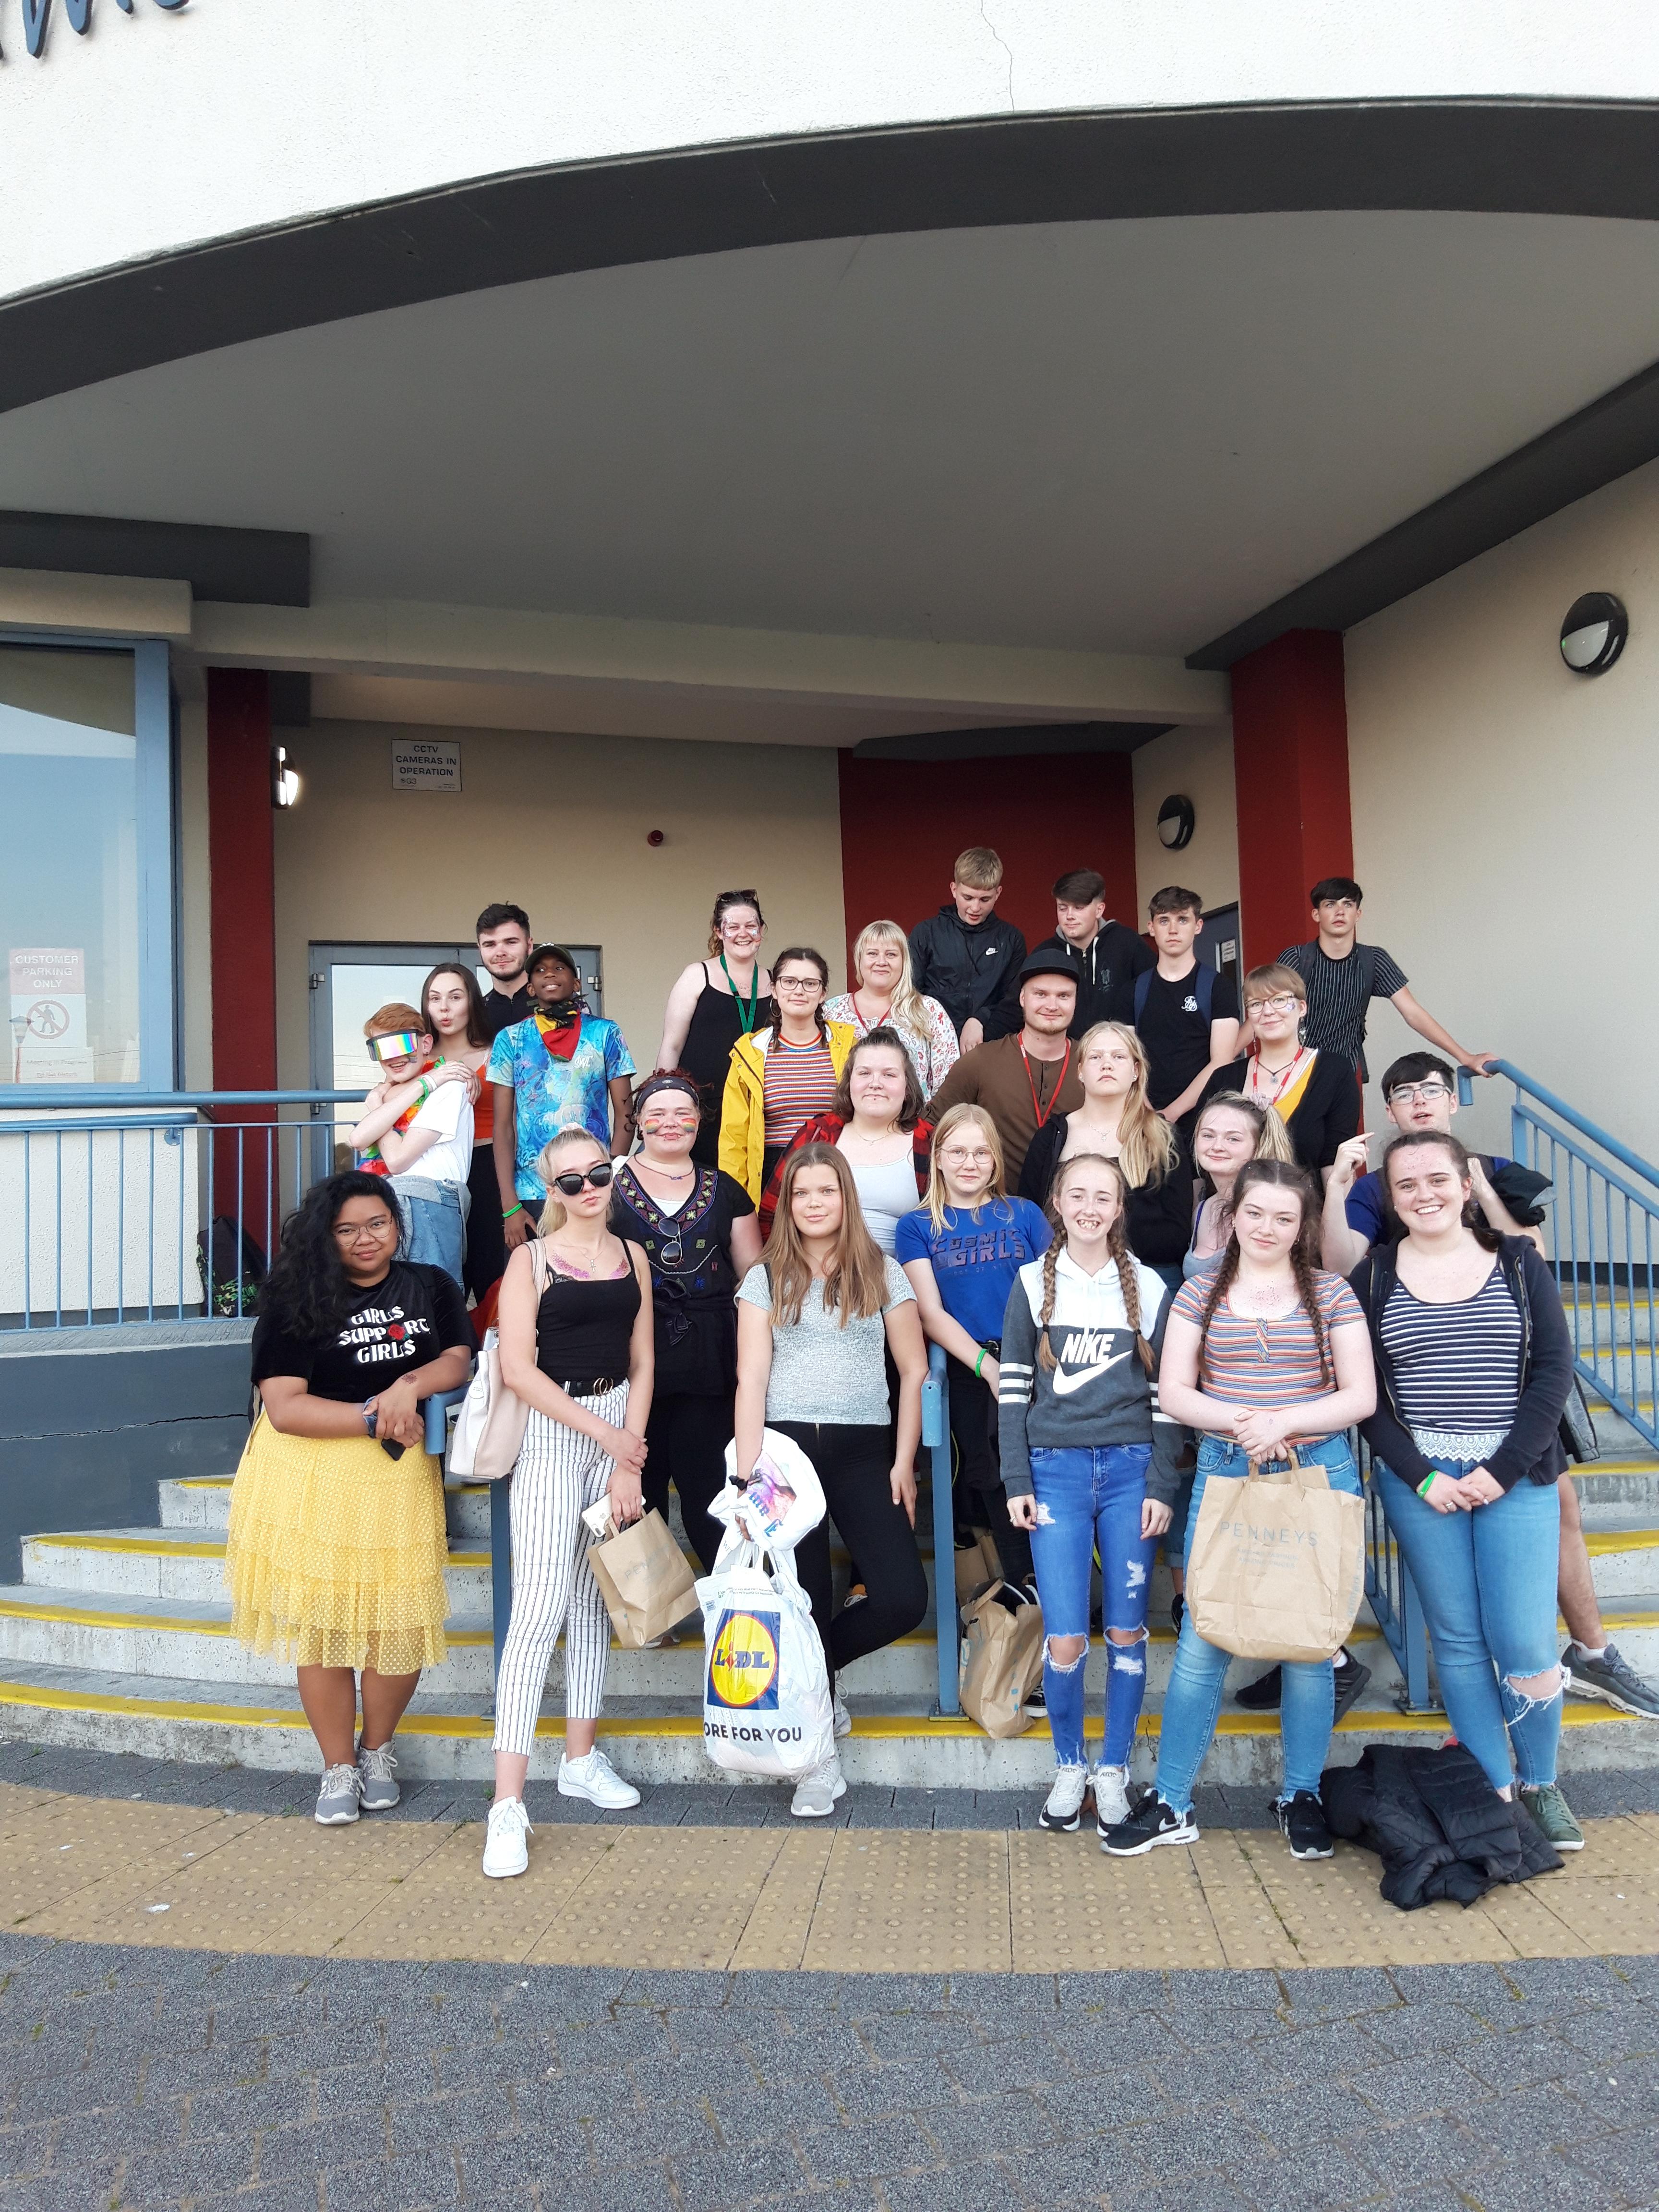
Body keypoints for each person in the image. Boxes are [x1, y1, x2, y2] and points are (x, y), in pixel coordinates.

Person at [1324, 1057, 1659, 1727]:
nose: (1419, 1101)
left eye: (1431, 1090)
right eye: (1403, 1094)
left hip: (1513, 1382)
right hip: (1428, 1390)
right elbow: (1341, 1266)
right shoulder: (1375, 1188)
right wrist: (1337, 1190)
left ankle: (1589, 1652)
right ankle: (1481, 1710)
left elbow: (1530, 1251)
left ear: (1453, 1100)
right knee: (1463, 1582)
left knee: (1559, 1510)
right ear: (1389, 1112)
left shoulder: (1497, 1170)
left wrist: (1478, 1185)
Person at [1101, 1160, 1376, 1862]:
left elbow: (1360, 1396)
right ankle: (1172, 1800)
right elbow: (1175, 1391)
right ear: (1235, 1215)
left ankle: (1301, 1794)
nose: (1268, 1228)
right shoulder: (1199, 1292)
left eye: (1285, 1217)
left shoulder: (1332, 1293)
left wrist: (1284, 1421)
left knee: (1307, 1642)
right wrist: (1248, 1423)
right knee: (1205, 1637)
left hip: (1316, 1473)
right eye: (1256, 1213)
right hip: (1227, 1469)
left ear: (1302, 1224)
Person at [1348, 1130, 1584, 1851]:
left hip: (1516, 1473)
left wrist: (1502, 1468)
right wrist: (1422, 1474)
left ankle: (1541, 1782)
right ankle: (1495, 1791)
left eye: (1437, 1180)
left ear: (1464, 1184)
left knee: (1523, 1638)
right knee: (1455, 1639)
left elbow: (1553, 1369)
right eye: (1407, 1185)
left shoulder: (1517, 1261)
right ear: (1392, 1199)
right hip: (1423, 1482)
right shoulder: (1373, 1276)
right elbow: (1367, 1397)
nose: (1424, 1194)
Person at [227, 1171, 473, 1826]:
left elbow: (458, 1358)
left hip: (396, 1475)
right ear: (325, 1236)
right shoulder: (296, 1297)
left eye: (378, 1224)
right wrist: (373, 1418)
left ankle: (376, 1751)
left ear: (397, 1224)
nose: (366, 1239)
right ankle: (337, 1765)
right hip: (313, 1471)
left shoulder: (430, 1284)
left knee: (399, 1627)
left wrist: (407, 1387)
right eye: (348, 1229)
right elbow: (285, 1407)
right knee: (326, 1628)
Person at [734, 1144, 929, 1817]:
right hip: (785, 1462)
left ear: (846, 1197)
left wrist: (904, 1462)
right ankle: (817, 1769)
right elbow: (751, 1380)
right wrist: (745, 1480)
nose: (814, 1203)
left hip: (865, 1455)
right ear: (787, 1205)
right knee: (806, 1605)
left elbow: (914, 1371)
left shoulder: (883, 1270)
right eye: (801, 1194)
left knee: (902, 1598)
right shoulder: (766, 1277)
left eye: (827, 1191)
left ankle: (817, 1674)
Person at [482, 1128, 656, 1879]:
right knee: (538, 1611)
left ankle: (580, 1760)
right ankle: (507, 1806)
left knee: (592, 1603)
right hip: (555, 1434)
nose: (588, 1189)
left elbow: (644, 1362)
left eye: (598, 1174)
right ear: (550, 1190)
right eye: (571, 1181)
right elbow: (519, 1370)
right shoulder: (530, 1261)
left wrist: (627, 1456)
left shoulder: (634, 1256)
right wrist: (609, 1439)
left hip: (616, 1429)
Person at [999, 1154, 1181, 1831]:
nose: (1089, 1208)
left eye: (1103, 1196)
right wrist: (1017, 1478)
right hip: (1055, 1472)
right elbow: (1013, 1388)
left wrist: (1162, 1480)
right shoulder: (1030, 1282)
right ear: (1057, 1201)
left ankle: (1114, 1771)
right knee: (1067, 1639)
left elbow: (1165, 1396)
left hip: (1132, 1472)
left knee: (1128, 1630)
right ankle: (1069, 1767)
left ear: (1119, 1207)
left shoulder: (1148, 1285)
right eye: (1077, 1195)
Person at [610, 1070, 762, 1573]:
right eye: (657, 1113)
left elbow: (753, 1279)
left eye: (683, 1112)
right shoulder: (607, 1185)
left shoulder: (726, 1189)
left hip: (708, 1361)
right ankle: (650, 1604)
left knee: (706, 1487)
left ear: (700, 1120)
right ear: (638, 1121)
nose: (670, 1122)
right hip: (629, 1358)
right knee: (639, 1487)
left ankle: (732, 1599)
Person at [897, 1104, 1049, 1588]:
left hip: (1036, 1359)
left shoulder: (1024, 1213)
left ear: (996, 1159)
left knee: (1047, 1468)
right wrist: (988, 1367)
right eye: (958, 1151)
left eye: (982, 1153)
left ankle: (1061, 1589)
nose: (970, 1163)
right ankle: (1024, 1587)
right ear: (938, 1157)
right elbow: (930, 1312)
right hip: (970, 1364)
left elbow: (1055, 1292)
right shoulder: (917, 1226)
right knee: (991, 1473)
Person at [489, 944, 636, 1256]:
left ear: (577, 982)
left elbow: (626, 1114)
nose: (550, 975)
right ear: (531, 987)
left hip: (592, 1187)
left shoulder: (605, 1033)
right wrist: (510, 1206)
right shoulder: (510, 1040)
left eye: (559, 968)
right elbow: (502, 1127)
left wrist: (609, 1176)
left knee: (595, 1270)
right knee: (535, 1276)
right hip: (532, 1192)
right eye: (540, 970)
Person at [1018, 1021, 1192, 1284]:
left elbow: (1177, 1232)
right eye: (1096, 1057)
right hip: (1066, 1278)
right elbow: (1029, 1218)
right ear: (1080, 1072)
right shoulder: (1051, 1137)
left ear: (1136, 1071)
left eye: (1118, 1057)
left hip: (1149, 1277)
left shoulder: (1163, 1137)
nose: (1107, 1064)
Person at [1277, 876, 1492, 1081]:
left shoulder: (1373, 960)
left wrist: (1466, 1057)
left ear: (1358, 914)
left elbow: (1413, 1013)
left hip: (1342, 1075)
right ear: (1316, 914)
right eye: (1330, 904)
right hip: (1291, 1073)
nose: (1340, 912)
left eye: (1348, 904)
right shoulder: (1297, 958)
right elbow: (1266, 1012)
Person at [757, 1026, 932, 1245]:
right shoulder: (817, 1134)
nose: (875, 1084)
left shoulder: (929, 1142)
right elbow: (771, 1215)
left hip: (903, 1266)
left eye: (889, 1075)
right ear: (850, 1083)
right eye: (864, 1073)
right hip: (816, 1264)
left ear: (907, 1087)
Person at [925, 948, 1085, 1186]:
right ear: (1022, 998)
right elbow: (930, 1129)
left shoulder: (1093, 1063)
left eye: (1063, 996)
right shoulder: (981, 1061)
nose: (1052, 1005)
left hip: (1076, 1204)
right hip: (993, 1204)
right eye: (1040, 994)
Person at [347, 1002, 474, 1289]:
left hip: (427, 1198)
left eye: (401, 1044)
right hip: (390, 1200)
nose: (394, 1057)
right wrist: (393, 1097)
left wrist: (385, 1105)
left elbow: (398, 1160)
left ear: (426, 1044)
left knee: (433, 1296)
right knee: (396, 1299)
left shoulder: (449, 1085)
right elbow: (358, 1139)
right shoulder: (398, 1093)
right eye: (381, 1049)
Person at [719, 946, 856, 1202]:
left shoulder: (850, 1047)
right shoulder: (750, 1052)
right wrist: (736, 1204)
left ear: (823, 993)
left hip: (836, 1171)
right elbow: (733, 1139)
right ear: (774, 989)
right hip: (772, 1177)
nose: (799, 991)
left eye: (810, 983)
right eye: (789, 981)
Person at [1202, 963, 1360, 1176]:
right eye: (1256, 1004)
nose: (1268, 1011)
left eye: (1279, 1000)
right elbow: (1200, 1161)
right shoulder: (1224, 1078)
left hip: (1309, 1197)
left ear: (1302, 1008)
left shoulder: (1334, 1071)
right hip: (1232, 1198)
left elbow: (1336, 1162)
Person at [654, 890, 774, 1166]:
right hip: (704, 1108)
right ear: (719, 932)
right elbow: (672, 1045)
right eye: (733, 927)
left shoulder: (775, 982)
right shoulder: (697, 975)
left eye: (751, 926)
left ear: (761, 931)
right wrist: (664, 1100)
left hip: (757, 1109)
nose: (743, 934)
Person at [420, 963, 502, 1307]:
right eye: (434, 998)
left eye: (455, 997)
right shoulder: (416, 1057)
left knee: (492, 1277)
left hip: (487, 1167)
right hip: (434, 1172)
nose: (444, 1008)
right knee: (437, 1283)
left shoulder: (498, 1050)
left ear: (472, 1001)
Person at [1127, 886, 1241, 1129]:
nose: (1173, 930)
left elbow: (1221, 1061)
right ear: (1151, 928)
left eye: (1182, 920)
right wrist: (1146, 1111)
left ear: (1198, 926)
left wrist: (1171, 1113)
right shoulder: (1133, 990)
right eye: (1164, 921)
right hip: (1143, 1119)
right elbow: (1125, 1058)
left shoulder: (1218, 987)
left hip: (1204, 1120)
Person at [997, 866, 1153, 1040]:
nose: (1069, 916)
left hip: (1115, 1052)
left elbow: (1155, 1001)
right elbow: (1012, 1010)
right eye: (1062, 908)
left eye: (1079, 908)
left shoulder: (1128, 943)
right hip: (1063, 1053)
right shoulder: (1045, 953)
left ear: (1099, 910)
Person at [907, 847, 1027, 1050]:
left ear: (998, 893)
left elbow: (1016, 1001)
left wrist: (980, 1020)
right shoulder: (926, 933)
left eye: (985, 899)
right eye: (968, 898)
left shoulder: (1011, 939)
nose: (975, 908)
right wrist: (941, 1031)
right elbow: (910, 993)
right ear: (954, 890)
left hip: (991, 1043)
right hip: (932, 1042)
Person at [824, 919, 959, 1097]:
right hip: (846, 1114)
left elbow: (949, 1085)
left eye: (891, 955)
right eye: (872, 954)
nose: (882, 962)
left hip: (915, 1115)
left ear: (904, 961)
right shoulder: (831, 1011)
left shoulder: (929, 1011)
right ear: (859, 959)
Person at [1186, 1092, 1296, 1276]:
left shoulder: (1271, 1210)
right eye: (1208, 1135)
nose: (1217, 1146)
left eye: (1233, 1139)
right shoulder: (1201, 1209)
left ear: (1258, 1145)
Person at [476, 902, 536, 1039]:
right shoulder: (474, 1015)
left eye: (511, 942)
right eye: (490, 945)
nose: (500, 953)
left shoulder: (559, 1006)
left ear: (529, 946)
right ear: (480, 949)